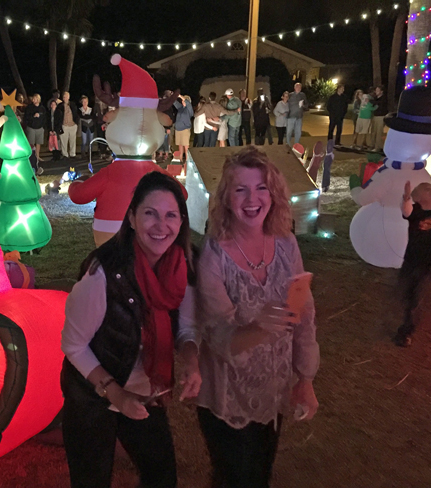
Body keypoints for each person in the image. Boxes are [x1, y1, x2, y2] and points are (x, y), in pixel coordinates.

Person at [61, 171, 201, 488]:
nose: (160, 225)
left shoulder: (183, 267)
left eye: (170, 215)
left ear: (181, 222)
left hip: (143, 390)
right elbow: (74, 346)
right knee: (91, 481)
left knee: (161, 476)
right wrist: (115, 393)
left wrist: (192, 362)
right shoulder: (102, 273)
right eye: (149, 213)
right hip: (92, 396)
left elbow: (187, 329)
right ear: (132, 218)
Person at [195, 146, 319, 488]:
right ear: (226, 198)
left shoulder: (286, 244)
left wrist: (304, 379)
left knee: (261, 476)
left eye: (261, 187)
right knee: (235, 479)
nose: (253, 199)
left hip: (272, 393)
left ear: (274, 194)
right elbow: (220, 339)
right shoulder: (213, 255)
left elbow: (303, 315)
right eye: (241, 189)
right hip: (226, 396)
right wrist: (258, 327)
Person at [393, 182, 431, 347]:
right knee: (406, 291)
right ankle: (407, 313)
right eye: (427, 189)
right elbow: (406, 210)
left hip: (429, 264)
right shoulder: (416, 211)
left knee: (417, 297)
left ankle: (406, 331)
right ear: (419, 198)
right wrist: (406, 197)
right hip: (411, 260)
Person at [57, 91, 80, 160]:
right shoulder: (60, 106)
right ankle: (65, 154)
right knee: (64, 141)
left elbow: (76, 113)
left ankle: (73, 154)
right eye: (64, 97)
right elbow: (57, 116)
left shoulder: (73, 104)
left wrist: (76, 123)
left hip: (72, 125)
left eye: (66, 96)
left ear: (69, 97)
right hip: (64, 125)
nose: (65, 98)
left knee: (72, 140)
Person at [24, 94, 47, 161]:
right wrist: (33, 116)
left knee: (38, 143)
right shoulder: (29, 108)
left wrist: (43, 126)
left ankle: (37, 156)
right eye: (33, 99)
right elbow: (26, 118)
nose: (33, 100)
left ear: (38, 99)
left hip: (39, 128)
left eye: (35, 99)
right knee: (31, 143)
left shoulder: (42, 108)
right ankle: (31, 157)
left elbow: (44, 118)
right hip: (31, 128)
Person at [174, 95, 193, 162]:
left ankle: (188, 161)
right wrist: (172, 96)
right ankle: (181, 159)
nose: (182, 102)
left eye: (183, 100)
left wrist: (179, 95)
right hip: (178, 129)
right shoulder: (181, 108)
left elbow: (187, 102)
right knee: (180, 145)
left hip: (185, 129)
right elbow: (175, 103)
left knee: (186, 146)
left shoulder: (189, 109)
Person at [370, 85, 388, 152]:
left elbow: (379, 104)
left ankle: (377, 147)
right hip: (375, 116)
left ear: (381, 91)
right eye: (376, 90)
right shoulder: (375, 98)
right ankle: (372, 145)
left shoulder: (383, 98)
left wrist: (370, 101)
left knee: (379, 132)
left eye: (378, 90)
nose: (376, 92)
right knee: (373, 131)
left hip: (381, 117)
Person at [79, 95, 95, 159]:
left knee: (90, 141)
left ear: (87, 102)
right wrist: (86, 116)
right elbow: (81, 117)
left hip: (91, 127)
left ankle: (90, 154)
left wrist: (85, 116)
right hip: (84, 127)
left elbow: (92, 117)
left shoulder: (91, 109)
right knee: (84, 141)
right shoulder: (80, 109)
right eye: (83, 102)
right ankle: (83, 153)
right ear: (81, 102)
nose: (85, 103)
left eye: (86, 102)